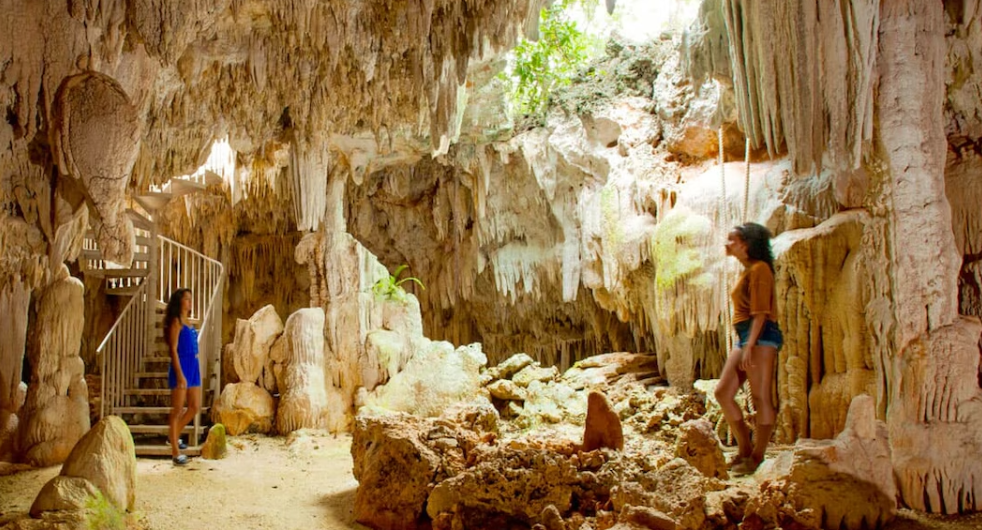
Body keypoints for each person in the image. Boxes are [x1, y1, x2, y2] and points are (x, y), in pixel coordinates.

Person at [714, 222, 783, 475]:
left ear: (745, 244)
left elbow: (761, 311)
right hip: (746, 336)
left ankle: (757, 455)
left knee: (760, 396)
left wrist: (751, 344)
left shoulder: (761, 270)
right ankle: (744, 448)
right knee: (723, 392)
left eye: (732, 239)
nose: (727, 243)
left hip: (761, 336)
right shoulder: (748, 271)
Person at [165, 289, 201, 465]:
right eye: (186, 299)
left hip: (193, 365)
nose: (189, 302)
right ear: (179, 302)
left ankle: (173, 436)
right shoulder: (176, 322)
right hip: (182, 365)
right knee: (178, 409)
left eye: (190, 299)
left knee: (194, 406)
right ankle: (174, 451)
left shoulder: (189, 322)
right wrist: (179, 374)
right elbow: (173, 349)